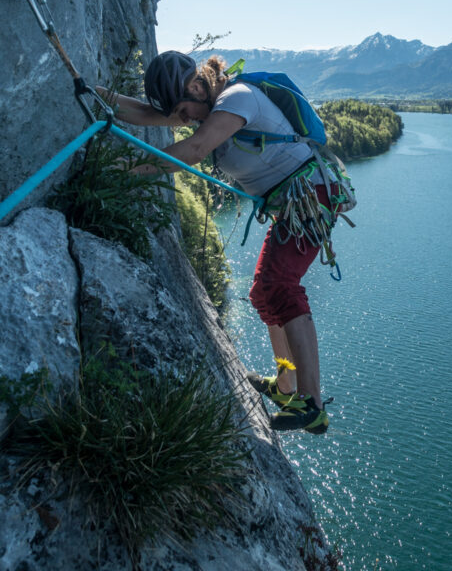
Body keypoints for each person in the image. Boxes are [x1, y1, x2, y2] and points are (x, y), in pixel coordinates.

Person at [96, 50, 334, 435]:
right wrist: (89, 90)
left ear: (195, 86)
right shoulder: (201, 104)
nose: (183, 119)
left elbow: (193, 149)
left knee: (281, 286)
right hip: (294, 201)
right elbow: (143, 113)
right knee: (263, 293)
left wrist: (127, 172)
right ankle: (287, 388)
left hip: (313, 196)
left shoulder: (236, 98)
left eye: (183, 110)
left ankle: (313, 403)